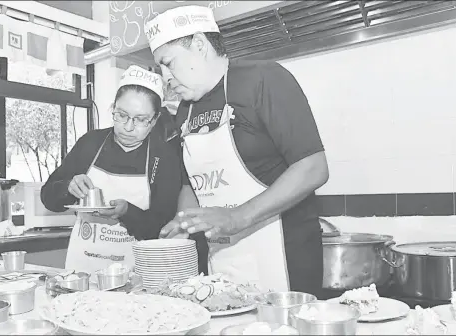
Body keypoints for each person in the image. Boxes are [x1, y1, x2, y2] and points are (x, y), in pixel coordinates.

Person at [144, 6, 329, 296]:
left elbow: (313, 167)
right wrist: (185, 223)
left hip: (284, 258)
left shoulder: (263, 79)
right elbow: (191, 182)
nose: (165, 78)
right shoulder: (184, 110)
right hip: (223, 260)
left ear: (200, 45)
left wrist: (237, 217)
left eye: (168, 63)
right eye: (159, 69)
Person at [40, 65, 208, 275]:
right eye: (121, 115)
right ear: (113, 108)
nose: (128, 127)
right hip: (83, 267)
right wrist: (68, 187)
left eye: (140, 119)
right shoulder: (90, 144)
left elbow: (160, 227)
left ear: (154, 120)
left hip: (134, 271)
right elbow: (48, 198)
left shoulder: (164, 157)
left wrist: (127, 212)